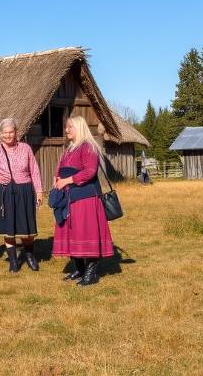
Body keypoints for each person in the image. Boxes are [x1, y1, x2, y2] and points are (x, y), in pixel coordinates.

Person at [50, 115, 114, 286]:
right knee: (73, 233)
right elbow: (60, 168)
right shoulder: (69, 148)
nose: (66, 130)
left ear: (79, 127)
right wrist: (56, 179)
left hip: (85, 198)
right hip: (68, 198)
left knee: (86, 233)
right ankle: (79, 269)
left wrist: (67, 180)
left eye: (70, 127)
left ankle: (91, 273)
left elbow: (90, 171)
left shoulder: (88, 147)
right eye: (66, 127)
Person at [0, 118, 44, 273]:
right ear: (1, 134)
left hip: (25, 191)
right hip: (5, 192)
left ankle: (29, 256)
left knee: (26, 227)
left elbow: (34, 170)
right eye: (5, 133)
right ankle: (13, 261)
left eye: (11, 132)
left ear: (16, 133)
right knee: (8, 228)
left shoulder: (25, 148)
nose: (8, 135)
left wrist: (39, 191)